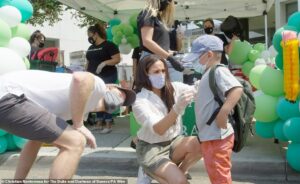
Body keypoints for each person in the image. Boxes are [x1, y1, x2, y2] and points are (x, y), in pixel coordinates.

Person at [0, 70, 136, 180]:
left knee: (42, 140)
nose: (121, 99)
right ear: (110, 87)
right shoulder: (99, 86)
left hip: (9, 99)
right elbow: (80, 78)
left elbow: (34, 143)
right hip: (9, 95)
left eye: (123, 101)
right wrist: (79, 125)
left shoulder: (73, 108)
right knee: (75, 141)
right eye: (121, 93)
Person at [183, 35, 243, 184]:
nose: (196, 61)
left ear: (209, 54)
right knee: (215, 174)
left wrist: (224, 112)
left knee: (219, 176)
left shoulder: (218, 70)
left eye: (197, 57)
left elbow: (236, 89)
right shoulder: (208, 73)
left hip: (217, 136)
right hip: (210, 136)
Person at [132, 54, 202, 184]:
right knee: (179, 182)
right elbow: (159, 129)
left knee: (202, 144)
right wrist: (177, 108)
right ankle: (148, 170)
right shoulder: (140, 101)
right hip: (151, 149)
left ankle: (180, 172)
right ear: (145, 74)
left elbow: (197, 90)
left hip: (173, 142)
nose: (161, 75)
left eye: (163, 71)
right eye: (156, 72)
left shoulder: (174, 87)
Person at [137, 0, 190, 82]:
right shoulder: (148, 14)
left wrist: (169, 53)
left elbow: (158, 42)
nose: (168, 2)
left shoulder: (158, 17)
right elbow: (147, 41)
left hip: (159, 59)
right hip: (151, 60)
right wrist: (170, 58)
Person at [86, 23, 121, 133]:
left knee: (107, 98)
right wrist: (86, 73)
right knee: (97, 98)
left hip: (108, 75)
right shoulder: (91, 48)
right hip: (94, 76)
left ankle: (108, 123)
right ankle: (99, 122)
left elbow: (117, 59)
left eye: (90, 34)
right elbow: (88, 62)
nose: (89, 37)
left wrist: (104, 63)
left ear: (96, 34)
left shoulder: (109, 45)